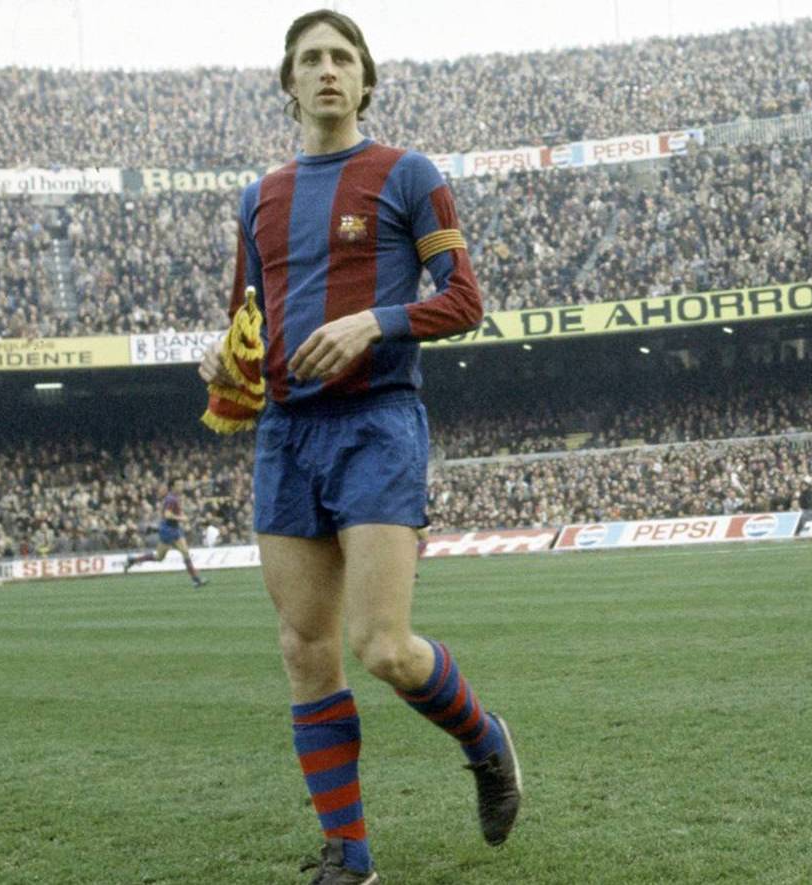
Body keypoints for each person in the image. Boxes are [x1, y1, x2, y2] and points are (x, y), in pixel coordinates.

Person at [199, 11, 518, 884]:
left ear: (365, 80)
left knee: (383, 647)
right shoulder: (258, 198)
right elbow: (246, 322)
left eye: (342, 57)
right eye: (310, 59)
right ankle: (351, 858)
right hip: (285, 434)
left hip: (376, 421)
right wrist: (222, 358)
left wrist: (373, 322)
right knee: (305, 648)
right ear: (289, 83)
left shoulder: (408, 174)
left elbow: (464, 299)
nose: (327, 69)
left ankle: (485, 740)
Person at [122, 480, 208, 588]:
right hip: (168, 531)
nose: (181, 487)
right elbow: (167, 515)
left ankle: (196, 580)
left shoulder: (174, 498)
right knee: (160, 557)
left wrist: (182, 516)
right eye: (178, 485)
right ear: (172, 487)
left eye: (182, 485)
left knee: (182, 553)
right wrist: (182, 518)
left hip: (174, 529)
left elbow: (172, 513)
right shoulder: (171, 499)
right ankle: (132, 560)